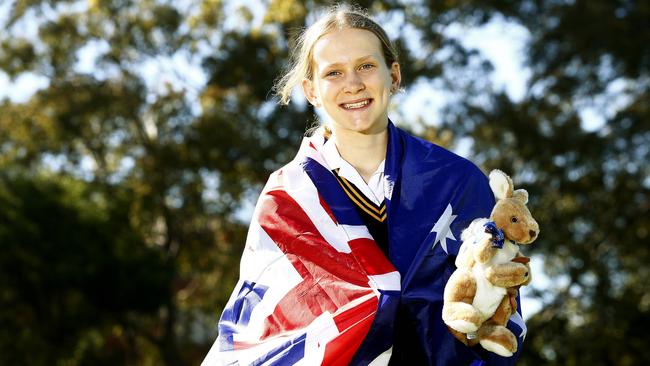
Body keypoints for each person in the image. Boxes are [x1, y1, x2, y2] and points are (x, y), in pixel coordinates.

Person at [203, 4, 526, 365]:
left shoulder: (458, 181)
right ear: (311, 90)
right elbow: (263, 330)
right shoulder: (286, 198)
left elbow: (499, 313)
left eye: (366, 66)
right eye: (334, 73)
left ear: (394, 75)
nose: (353, 84)